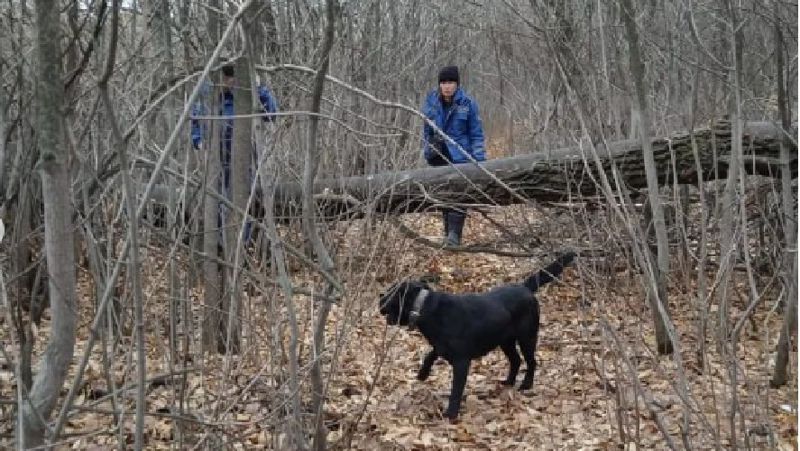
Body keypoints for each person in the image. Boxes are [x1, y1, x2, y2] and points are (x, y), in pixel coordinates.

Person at [191, 64, 278, 245]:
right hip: (215, 158)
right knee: (216, 202)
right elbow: (195, 120)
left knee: (240, 201)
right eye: (227, 78)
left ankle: (240, 244)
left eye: (233, 79)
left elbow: (271, 114)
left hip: (242, 158)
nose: (230, 82)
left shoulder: (245, 93)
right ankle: (219, 244)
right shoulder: (206, 93)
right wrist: (198, 141)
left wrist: (259, 88)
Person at [421, 65, 486, 246]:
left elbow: (476, 134)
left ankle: (454, 236)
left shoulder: (467, 104)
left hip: (461, 155)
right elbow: (426, 130)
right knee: (444, 195)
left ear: (457, 84)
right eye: (443, 82)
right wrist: (427, 150)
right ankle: (448, 234)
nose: (447, 86)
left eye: (450, 82)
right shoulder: (431, 102)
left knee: (459, 194)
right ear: (439, 84)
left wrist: (480, 161)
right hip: (438, 155)